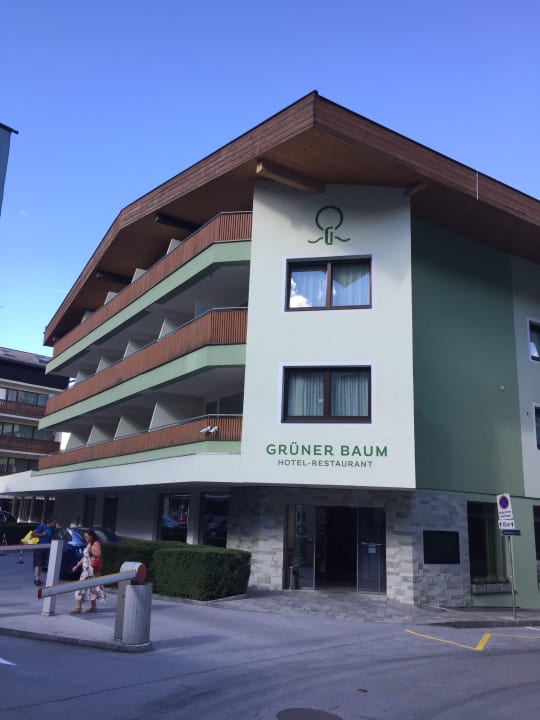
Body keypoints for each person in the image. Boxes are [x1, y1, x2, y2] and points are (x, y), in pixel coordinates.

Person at [70, 529, 106, 613]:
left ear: (91, 536)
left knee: (81, 587)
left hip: (91, 570)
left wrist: (91, 551)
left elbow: (99, 554)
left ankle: (78, 606)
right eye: (84, 536)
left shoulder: (96, 543)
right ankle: (93, 606)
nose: (85, 538)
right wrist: (77, 565)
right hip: (86, 570)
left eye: (86, 536)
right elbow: (85, 557)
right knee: (91, 588)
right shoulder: (89, 544)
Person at [31, 517, 58, 586]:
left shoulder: (53, 530)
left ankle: (38, 578)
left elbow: (53, 538)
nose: (55, 524)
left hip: (46, 548)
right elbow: (32, 534)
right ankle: (37, 579)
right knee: (38, 563)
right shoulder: (42, 526)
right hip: (39, 546)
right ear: (50, 522)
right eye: (54, 522)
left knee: (41, 564)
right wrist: (41, 535)